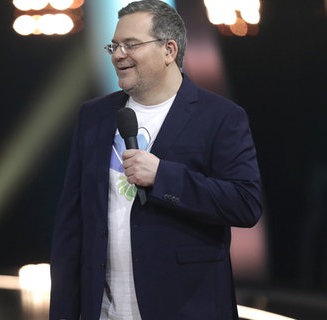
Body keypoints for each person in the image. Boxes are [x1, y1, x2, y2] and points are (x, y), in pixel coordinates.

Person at [49, 1, 263, 319]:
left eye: (131, 44)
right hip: (105, 310)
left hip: (186, 307)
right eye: (114, 45)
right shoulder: (94, 115)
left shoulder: (220, 117)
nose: (118, 54)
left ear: (169, 50)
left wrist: (163, 176)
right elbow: (71, 225)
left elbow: (245, 204)